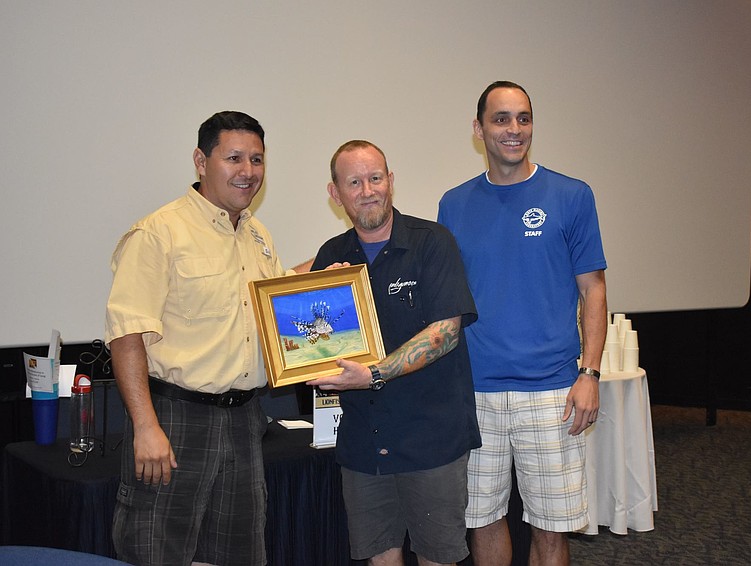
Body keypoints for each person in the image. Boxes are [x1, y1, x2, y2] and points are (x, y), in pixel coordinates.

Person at [106, 111, 299, 566]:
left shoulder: (257, 235)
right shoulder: (160, 232)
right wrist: (145, 426)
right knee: (157, 552)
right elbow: (126, 334)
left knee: (238, 556)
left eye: (256, 159)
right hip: (174, 421)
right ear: (200, 160)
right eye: (233, 157)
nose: (247, 171)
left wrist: (327, 284)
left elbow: (271, 310)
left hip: (245, 422)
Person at [438, 81, 609, 566]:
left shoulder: (572, 195)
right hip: (475, 392)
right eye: (501, 119)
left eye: (524, 118)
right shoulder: (453, 204)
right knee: (483, 519)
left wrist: (589, 374)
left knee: (551, 529)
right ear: (479, 129)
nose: (514, 130)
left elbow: (593, 289)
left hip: (552, 391)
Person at [306, 140, 481, 566]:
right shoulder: (332, 257)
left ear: (390, 181)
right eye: (354, 182)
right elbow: (315, 344)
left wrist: (374, 375)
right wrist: (320, 299)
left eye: (376, 178)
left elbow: (446, 333)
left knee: (439, 558)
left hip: (432, 442)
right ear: (335, 194)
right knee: (380, 558)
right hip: (364, 444)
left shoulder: (432, 242)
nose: (368, 190)